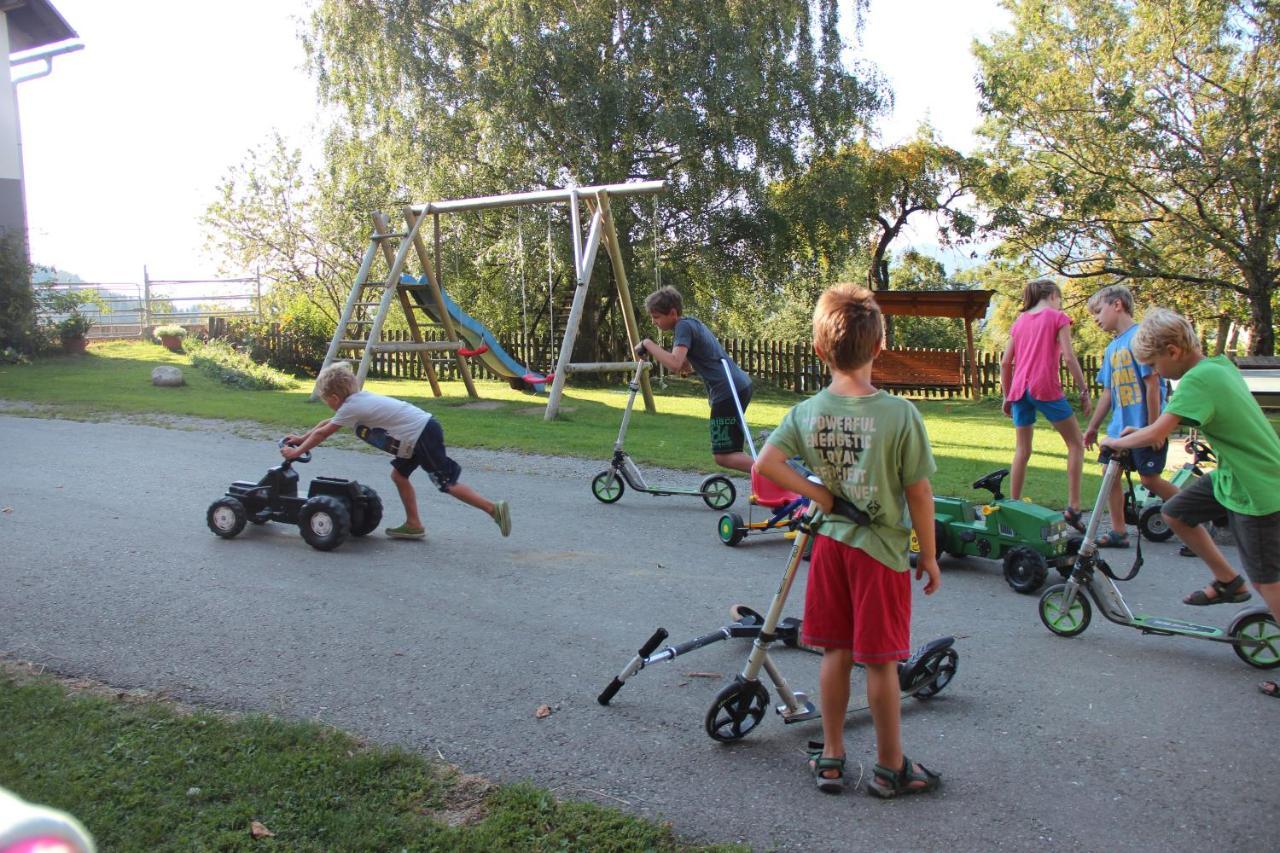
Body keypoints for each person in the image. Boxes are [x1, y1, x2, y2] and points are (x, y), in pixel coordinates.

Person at [754, 283, 942, 797]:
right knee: (881, 661)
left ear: (819, 349)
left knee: (835, 652)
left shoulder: (806, 412)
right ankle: (889, 767)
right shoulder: (900, 414)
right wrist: (927, 554)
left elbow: (765, 464)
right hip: (881, 554)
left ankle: (832, 757)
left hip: (831, 549)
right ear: (879, 346)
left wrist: (824, 496)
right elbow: (920, 493)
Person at [1099, 309, 1279, 698]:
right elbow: (1164, 425)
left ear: (1174, 351)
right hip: (1236, 476)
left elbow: (1160, 433)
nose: (1156, 372)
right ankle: (1228, 582)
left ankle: (1243, 584)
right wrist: (1138, 431)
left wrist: (1117, 440)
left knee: (1269, 581)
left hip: (1259, 488)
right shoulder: (1216, 366)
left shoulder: (1197, 380)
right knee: (1175, 512)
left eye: (1155, 364)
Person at [283, 362, 510, 540]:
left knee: (446, 483)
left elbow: (324, 433)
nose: (328, 406)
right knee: (399, 475)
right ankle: (414, 524)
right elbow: (326, 423)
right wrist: (302, 438)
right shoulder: (356, 401)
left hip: (420, 434)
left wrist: (295, 453)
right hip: (414, 435)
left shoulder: (351, 406)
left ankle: (493, 509)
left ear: (334, 398)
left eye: (327, 401)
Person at [1081, 285, 1177, 547]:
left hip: (1143, 427)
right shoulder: (1112, 348)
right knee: (1108, 474)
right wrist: (1092, 428)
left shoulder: (1140, 339)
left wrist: (1154, 428)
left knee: (1150, 479)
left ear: (1118, 305)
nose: (1096, 319)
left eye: (1098, 311)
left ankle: (1197, 516)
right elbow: (1108, 393)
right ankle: (1119, 531)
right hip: (1119, 429)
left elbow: (1152, 385)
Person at [1000, 277, 1093, 530]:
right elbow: (1070, 357)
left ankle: (1014, 504)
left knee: (1023, 450)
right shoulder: (1058, 317)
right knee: (1075, 444)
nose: (1060, 303)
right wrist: (1084, 390)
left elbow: (1006, 362)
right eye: (1060, 299)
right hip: (1046, 387)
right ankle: (1073, 506)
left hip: (1020, 391)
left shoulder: (1019, 322)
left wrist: (1008, 395)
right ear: (1053, 296)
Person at [634, 287, 754, 473]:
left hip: (728, 389)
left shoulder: (683, 327)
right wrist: (683, 366)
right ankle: (772, 479)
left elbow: (674, 364)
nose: (654, 322)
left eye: (656, 317)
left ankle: (779, 474)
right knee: (731, 450)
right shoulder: (690, 324)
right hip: (737, 386)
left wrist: (647, 344)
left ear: (672, 313)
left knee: (724, 455)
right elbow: (685, 366)